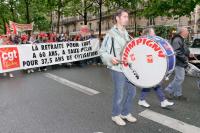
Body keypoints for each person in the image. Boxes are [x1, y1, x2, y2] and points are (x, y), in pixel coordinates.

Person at [100, 9, 137, 126]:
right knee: (119, 93)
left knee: (132, 92)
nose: (127, 19)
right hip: (117, 68)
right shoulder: (110, 34)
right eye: (125, 16)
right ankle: (115, 115)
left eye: (127, 16)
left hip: (128, 68)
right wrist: (110, 58)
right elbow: (102, 51)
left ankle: (125, 113)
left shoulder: (127, 34)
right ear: (117, 18)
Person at [138, 28, 174, 108]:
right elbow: (145, 56)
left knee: (155, 84)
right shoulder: (142, 42)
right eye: (153, 33)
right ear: (148, 34)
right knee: (151, 83)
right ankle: (142, 100)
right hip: (146, 67)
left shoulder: (150, 42)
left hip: (150, 67)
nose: (154, 34)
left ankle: (162, 101)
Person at [165, 27, 190, 101]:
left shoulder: (180, 39)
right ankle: (168, 90)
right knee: (180, 78)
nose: (188, 32)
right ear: (182, 32)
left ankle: (178, 94)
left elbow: (182, 50)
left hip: (179, 61)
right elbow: (177, 52)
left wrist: (188, 53)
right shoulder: (177, 39)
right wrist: (185, 59)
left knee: (178, 78)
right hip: (178, 62)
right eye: (187, 31)